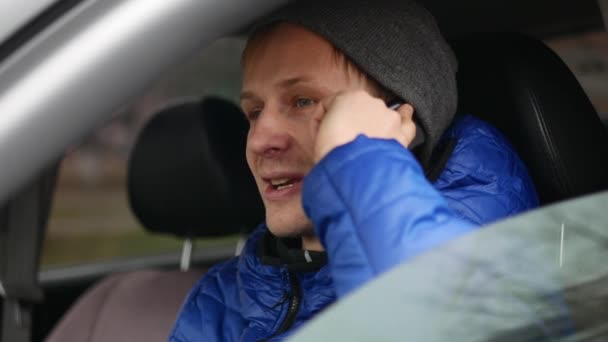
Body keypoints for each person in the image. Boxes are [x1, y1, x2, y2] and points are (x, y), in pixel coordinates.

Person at [169, 0, 538, 341]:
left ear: (401, 123)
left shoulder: (497, 264)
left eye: (302, 102)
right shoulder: (220, 303)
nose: (259, 140)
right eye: (254, 112)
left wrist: (360, 162)